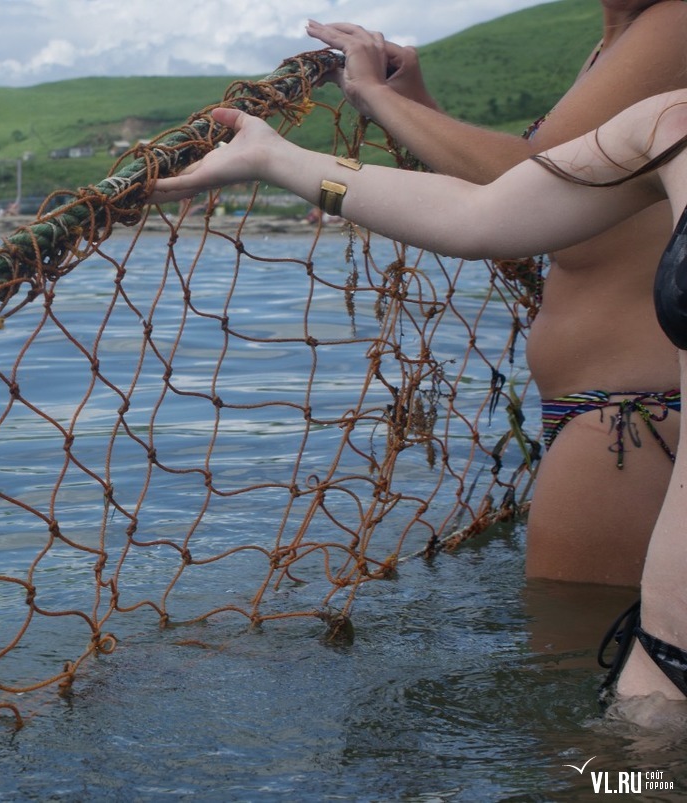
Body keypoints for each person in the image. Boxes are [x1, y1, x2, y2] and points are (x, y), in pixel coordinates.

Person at [149, 90, 687, 706]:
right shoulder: (669, 128)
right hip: (666, 664)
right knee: (610, 785)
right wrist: (277, 160)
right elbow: (478, 215)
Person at [303, 4, 687, 589]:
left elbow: (538, 179)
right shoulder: (618, 40)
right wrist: (414, 100)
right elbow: (532, 197)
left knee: (581, 661)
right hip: (614, 416)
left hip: (631, 419)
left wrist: (375, 96)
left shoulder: (676, 23)